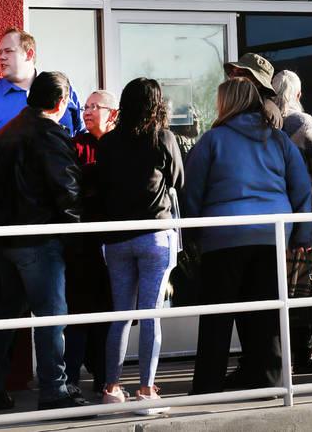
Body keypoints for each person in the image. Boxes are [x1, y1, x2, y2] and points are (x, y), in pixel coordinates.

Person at [184, 76, 312, 394]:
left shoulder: (212, 141)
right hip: (271, 236)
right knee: (266, 314)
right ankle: (268, 378)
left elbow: (192, 193)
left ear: (225, 103)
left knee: (217, 317)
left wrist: (192, 235)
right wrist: (302, 236)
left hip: (223, 237)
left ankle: (208, 386)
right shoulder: (279, 139)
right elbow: (302, 190)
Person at [0, 71, 85, 411]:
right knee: (52, 315)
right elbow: (66, 191)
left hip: (4, 240)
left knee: (7, 312)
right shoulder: (50, 135)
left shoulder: (8, 131)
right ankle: (54, 389)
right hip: (38, 239)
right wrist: (79, 234)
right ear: (61, 102)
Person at [95, 78, 183, 414]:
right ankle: (146, 391)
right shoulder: (162, 138)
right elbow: (178, 181)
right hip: (153, 237)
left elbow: (100, 186)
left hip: (116, 238)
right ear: (156, 105)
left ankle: (111, 388)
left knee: (121, 316)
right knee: (149, 316)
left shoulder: (108, 143)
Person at [270, 69, 312, 375]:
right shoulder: (302, 122)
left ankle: (282, 355)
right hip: (302, 212)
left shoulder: (266, 121)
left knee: (280, 283)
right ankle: (305, 353)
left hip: (272, 211)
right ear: (297, 95)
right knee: (305, 281)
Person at [64, 90, 119, 394]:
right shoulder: (77, 146)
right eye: (84, 107)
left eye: (94, 107)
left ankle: (103, 376)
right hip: (82, 243)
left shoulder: (120, 146)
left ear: (112, 113)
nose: (86, 111)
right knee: (78, 313)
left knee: (108, 311)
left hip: (114, 243)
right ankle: (70, 379)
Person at [0, 28, 83, 135]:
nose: (2, 57)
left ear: (29, 54)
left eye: (8, 51)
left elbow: (82, 133)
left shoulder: (61, 87)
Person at [224, 52, 283, 128]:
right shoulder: (239, 107)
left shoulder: (265, 112)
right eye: (231, 73)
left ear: (258, 83)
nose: (233, 78)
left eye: (240, 73)